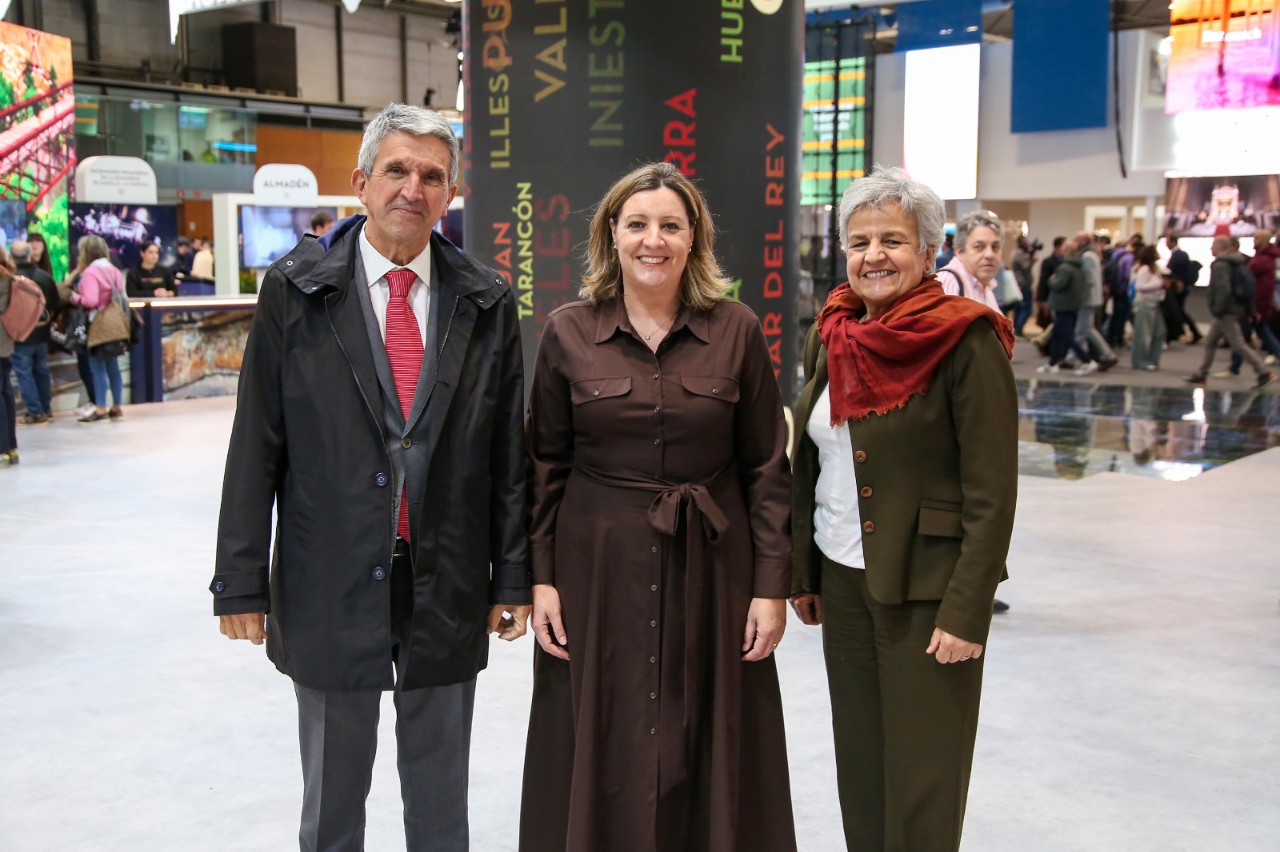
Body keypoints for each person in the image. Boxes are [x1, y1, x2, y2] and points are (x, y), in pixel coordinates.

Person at [210, 103, 531, 852]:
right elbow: (255, 443)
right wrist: (240, 581)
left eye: (431, 176)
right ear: (360, 182)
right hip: (327, 576)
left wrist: (512, 576)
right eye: (396, 170)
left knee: (441, 799)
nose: (411, 189)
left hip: (446, 578)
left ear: (449, 194)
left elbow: (506, 458)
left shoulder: (486, 301)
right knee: (332, 799)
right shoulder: (295, 292)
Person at [520, 162, 796, 851]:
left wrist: (770, 588)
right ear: (610, 235)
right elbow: (543, 465)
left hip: (715, 568)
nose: (654, 240)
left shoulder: (736, 329)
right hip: (596, 569)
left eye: (671, 225)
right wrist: (541, 575)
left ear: (693, 238)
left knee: (713, 729)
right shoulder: (567, 332)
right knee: (602, 726)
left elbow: (767, 467)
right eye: (637, 224)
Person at [790, 167, 1017, 851]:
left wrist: (967, 607)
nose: (873, 256)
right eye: (859, 242)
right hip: (844, 581)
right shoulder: (831, 333)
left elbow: (992, 489)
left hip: (928, 590)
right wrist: (803, 569)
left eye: (893, 239)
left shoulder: (966, 339)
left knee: (924, 778)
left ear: (927, 252)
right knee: (862, 767)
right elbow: (816, 462)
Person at [1184, 235, 1275, 389]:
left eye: (1213, 245)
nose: (1211, 248)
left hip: (1226, 311)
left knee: (1237, 343)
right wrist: (1251, 310)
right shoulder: (1239, 263)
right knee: (1211, 341)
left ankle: (1263, 371)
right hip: (1232, 308)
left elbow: (1223, 289)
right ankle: (1202, 373)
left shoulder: (1220, 265)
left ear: (1219, 248)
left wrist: (1217, 308)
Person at [70, 235, 129, 423]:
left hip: (97, 324)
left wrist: (74, 297)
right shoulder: (114, 270)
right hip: (115, 324)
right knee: (113, 367)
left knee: (97, 367)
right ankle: (117, 405)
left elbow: (90, 301)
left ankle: (101, 406)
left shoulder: (90, 273)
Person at [9, 241, 59, 424]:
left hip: (20, 333)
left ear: (12, 256)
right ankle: (46, 408)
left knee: (24, 372)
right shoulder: (44, 276)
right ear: (30, 255)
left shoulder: (10, 279)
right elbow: (55, 303)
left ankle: (35, 411)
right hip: (42, 331)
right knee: (41, 370)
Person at [1038, 234, 1095, 374]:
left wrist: (1051, 280)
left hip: (1062, 305)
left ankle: (1087, 360)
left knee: (1066, 335)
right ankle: (1052, 363)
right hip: (1072, 304)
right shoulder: (1079, 267)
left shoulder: (1065, 268)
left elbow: (1059, 284)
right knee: (1058, 334)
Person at [937, 209, 1003, 313]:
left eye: (995, 247)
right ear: (959, 252)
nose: (989, 255)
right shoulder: (949, 283)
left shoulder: (985, 286)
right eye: (979, 247)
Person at [1129, 244, 1168, 371]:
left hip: (1154, 302)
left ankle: (1152, 359)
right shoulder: (1144, 269)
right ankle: (1140, 361)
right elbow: (1139, 286)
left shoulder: (1154, 269)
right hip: (1144, 303)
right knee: (1142, 334)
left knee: (1159, 332)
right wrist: (1159, 283)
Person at [1164, 235, 1202, 343]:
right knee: (1179, 311)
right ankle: (1191, 332)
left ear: (1173, 242)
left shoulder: (1178, 255)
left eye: (1167, 242)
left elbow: (1170, 271)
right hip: (1181, 287)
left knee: (1177, 310)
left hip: (1179, 288)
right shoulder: (1180, 255)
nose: (1166, 244)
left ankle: (1180, 333)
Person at [0, 247, 18, 465]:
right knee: (6, 393)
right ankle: (11, 447)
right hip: (6, 342)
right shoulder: (9, 277)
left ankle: (2, 448)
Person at [1010, 235, 1038, 335]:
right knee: (1027, 308)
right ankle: (1018, 330)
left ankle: (1016, 330)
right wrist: (1032, 259)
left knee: (1019, 308)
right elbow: (1025, 267)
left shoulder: (1017, 253)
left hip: (1020, 284)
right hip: (1023, 284)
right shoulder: (1018, 254)